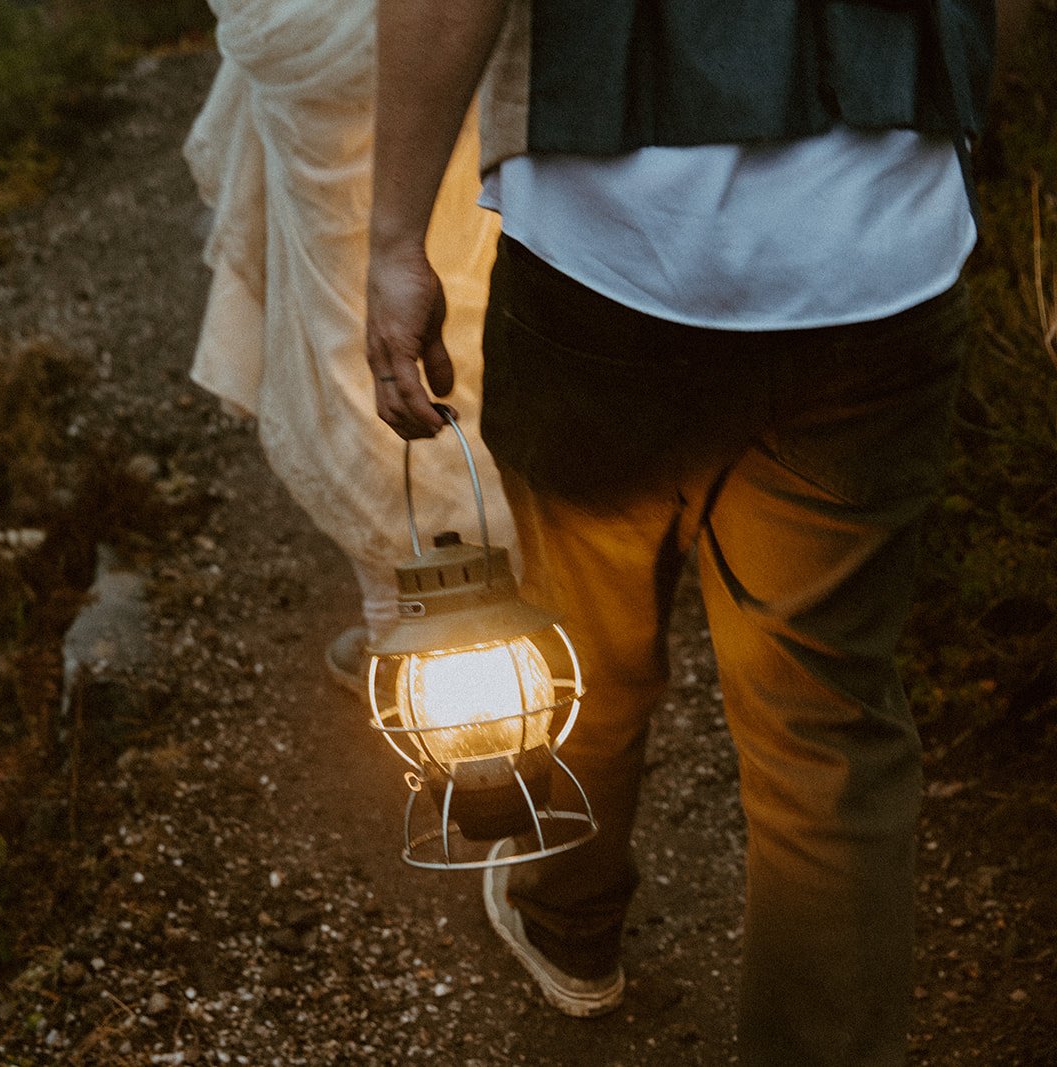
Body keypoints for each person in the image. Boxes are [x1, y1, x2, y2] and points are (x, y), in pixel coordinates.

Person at [365, 1, 997, 1063]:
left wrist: (393, 237)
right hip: (881, 257)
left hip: (615, 251)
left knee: (583, 642)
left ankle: (571, 923)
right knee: (824, 722)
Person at [183, 0, 519, 690]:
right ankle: (512, 588)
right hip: (452, 30)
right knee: (479, 262)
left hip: (311, 38)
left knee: (344, 311)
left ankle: (404, 620)